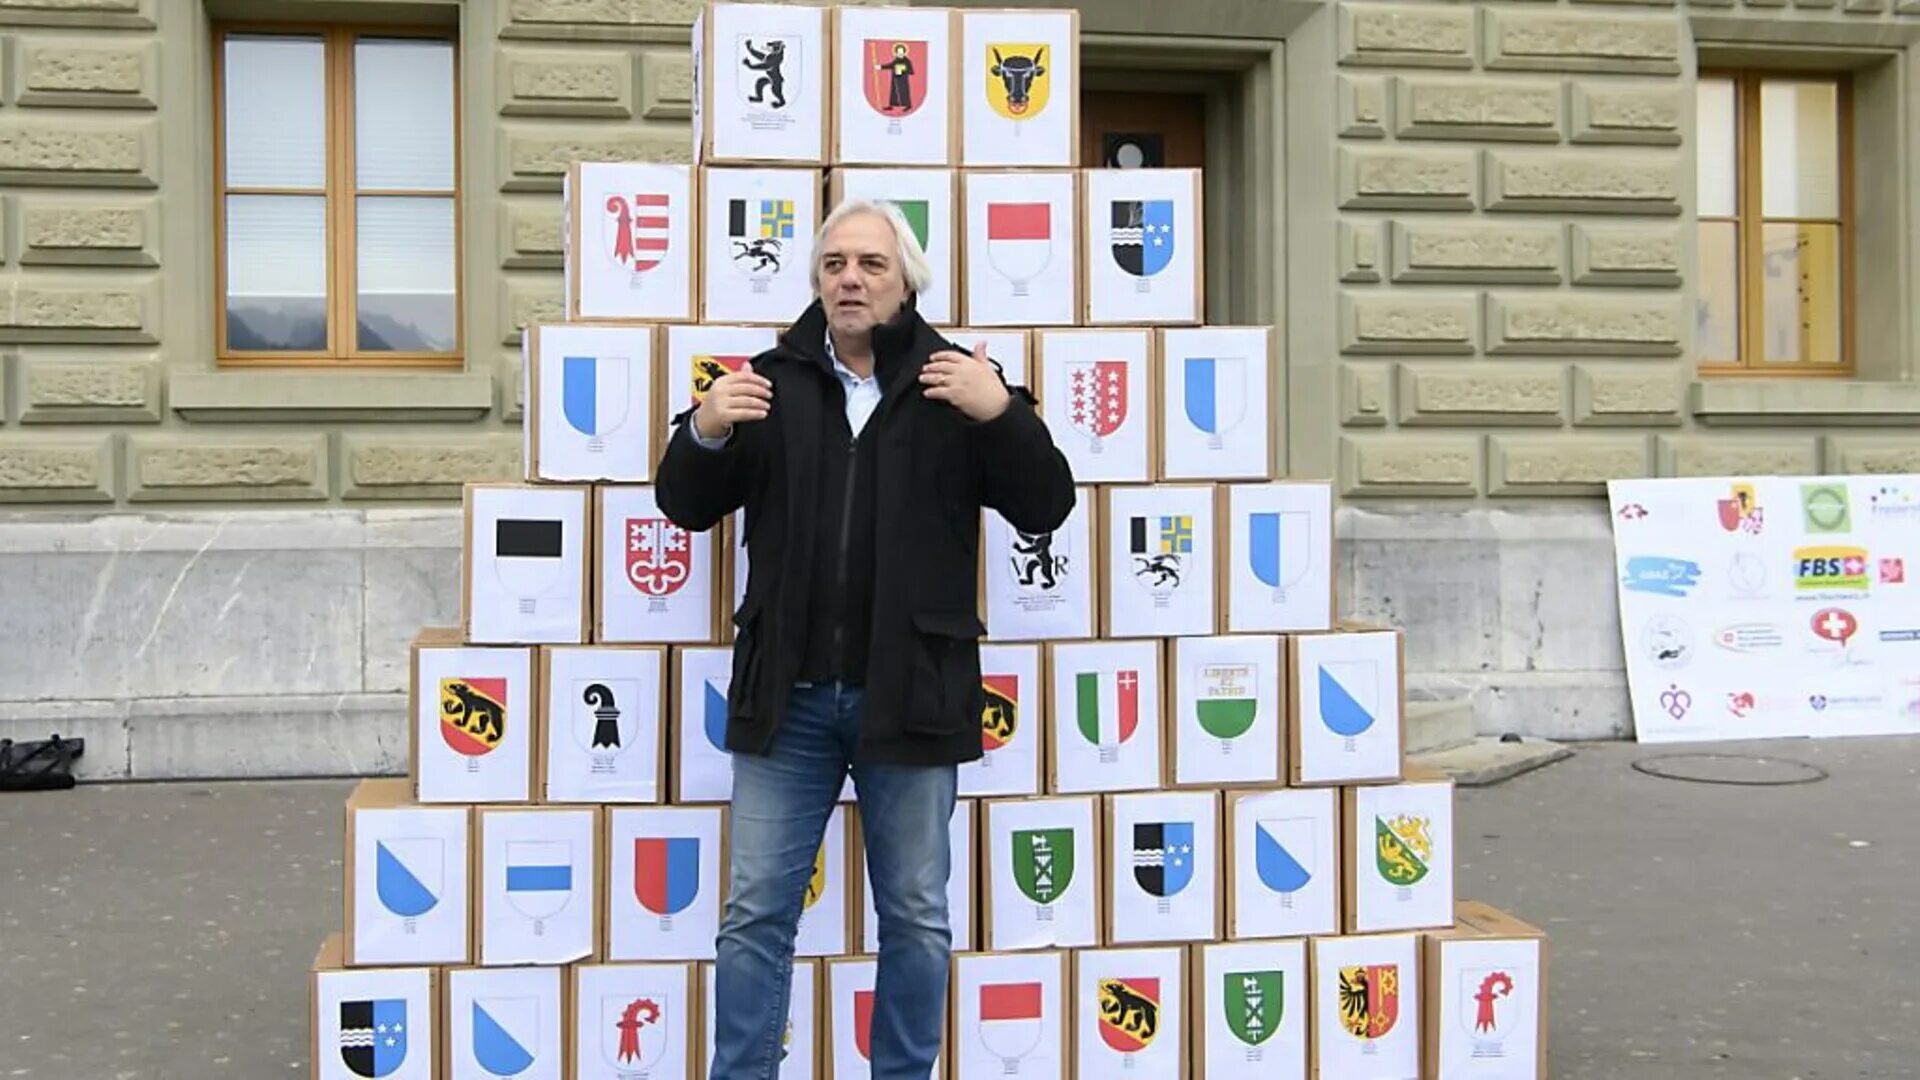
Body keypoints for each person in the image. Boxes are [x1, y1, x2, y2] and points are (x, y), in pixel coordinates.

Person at [654, 200, 1076, 1079]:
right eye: (835, 263)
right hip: (789, 698)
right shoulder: (768, 385)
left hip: (913, 693)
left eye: (871, 264)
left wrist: (1001, 413)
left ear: (906, 282)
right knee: (754, 917)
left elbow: (1046, 505)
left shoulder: (956, 385)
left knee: (916, 917)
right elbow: (685, 505)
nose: (850, 278)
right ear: (817, 282)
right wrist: (704, 429)